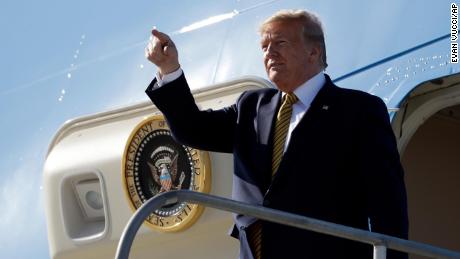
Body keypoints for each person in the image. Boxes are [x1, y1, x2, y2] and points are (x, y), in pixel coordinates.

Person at [144, 9, 408, 259]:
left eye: (280, 43)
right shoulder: (252, 106)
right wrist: (170, 69)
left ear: (313, 51)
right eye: (264, 47)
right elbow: (194, 130)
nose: (269, 53)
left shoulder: (359, 111)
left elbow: (388, 202)